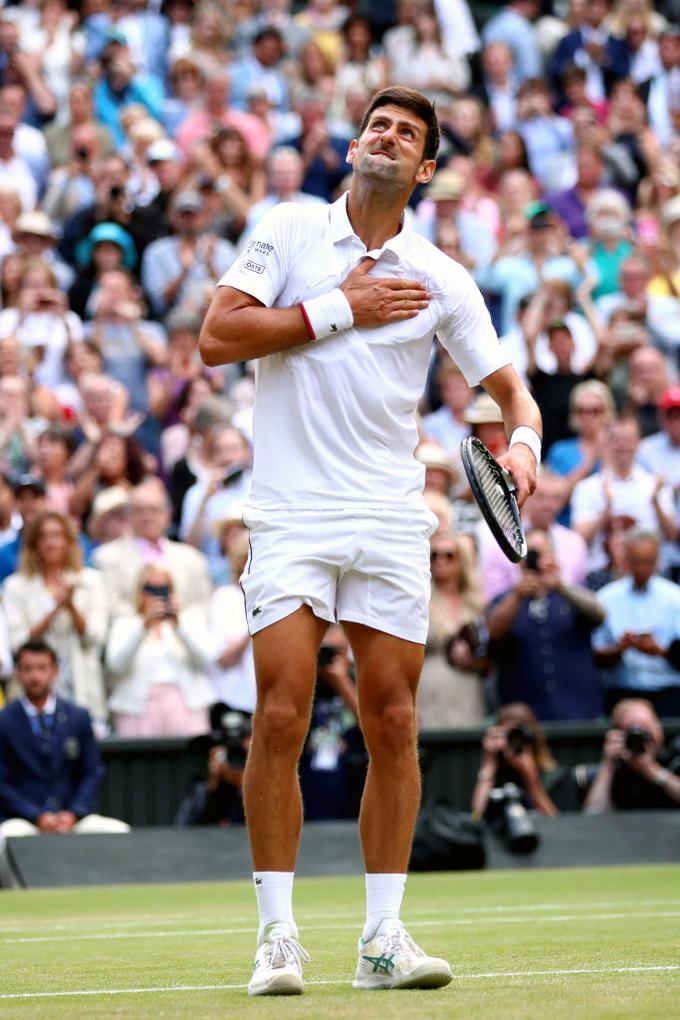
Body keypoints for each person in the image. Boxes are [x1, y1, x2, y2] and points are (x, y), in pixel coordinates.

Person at [199, 86, 541, 995]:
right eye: (376, 126)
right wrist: (339, 308)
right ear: (355, 147)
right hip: (291, 514)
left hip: (390, 519)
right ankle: (278, 938)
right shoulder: (288, 229)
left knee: (394, 723)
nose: (386, 137)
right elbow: (217, 336)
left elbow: (511, 389)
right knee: (280, 714)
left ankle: (382, 940)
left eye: (407, 134)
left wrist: (525, 440)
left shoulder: (443, 275)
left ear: (424, 169)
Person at [0, 639, 129, 886]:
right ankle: (20, 900)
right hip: (24, 821)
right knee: (3, 840)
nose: (35, 676)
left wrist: (73, 813)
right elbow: (2, 782)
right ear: (18, 673)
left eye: (41, 668)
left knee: (119, 833)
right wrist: (36, 815)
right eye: (27, 669)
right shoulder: (4, 721)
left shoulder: (77, 716)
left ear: (55, 671)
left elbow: (92, 772)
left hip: (73, 818)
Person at [3, 510, 109, 731]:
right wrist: (54, 610)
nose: (50, 543)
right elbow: (18, 643)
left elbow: (96, 638)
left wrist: (70, 607)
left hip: (83, 687)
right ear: (33, 544)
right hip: (33, 692)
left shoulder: (91, 581)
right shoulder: (16, 586)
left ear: (68, 541)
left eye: (56, 535)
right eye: (43, 537)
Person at [486, 528, 605, 721]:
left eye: (541, 553)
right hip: (524, 717)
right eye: (530, 554)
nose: (535, 560)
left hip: (578, 712)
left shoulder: (570, 594)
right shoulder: (506, 599)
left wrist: (561, 586)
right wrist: (518, 595)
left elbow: (599, 614)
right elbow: (492, 632)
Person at [105, 564, 214, 736]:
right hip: (136, 712)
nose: (156, 595)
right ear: (139, 592)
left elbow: (206, 659)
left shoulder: (190, 619)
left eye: (163, 588)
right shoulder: (126, 623)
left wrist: (178, 626)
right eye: (150, 588)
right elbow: (116, 665)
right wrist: (144, 627)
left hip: (186, 709)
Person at [93, 477, 212, 618]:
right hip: (134, 633)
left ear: (167, 516)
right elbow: (110, 607)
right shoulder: (106, 557)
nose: (147, 516)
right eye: (139, 510)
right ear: (129, 516)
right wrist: (145, 618)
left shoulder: (193, 558)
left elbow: (204, 604)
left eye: (154, 510)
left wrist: (180, 614)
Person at [592, 528, 680, 717]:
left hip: (669, 694)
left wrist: (659, 651)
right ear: (626, 558)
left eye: (647, 562)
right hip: (623, 693)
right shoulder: (606, 598)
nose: (641, 569)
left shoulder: (675, 598)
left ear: (657, 559)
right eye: (636, 562)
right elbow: (594, 653)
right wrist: (619, 648)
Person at [419, 530, 487, 730]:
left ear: (462, 560)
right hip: (429, 691)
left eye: (449, 555)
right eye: (434, 555)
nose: (441, 560)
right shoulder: (420, 599)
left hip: (470, 690)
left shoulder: (476, 603)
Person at [583, 698, 680, 811]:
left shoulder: (674, 760)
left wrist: (652, 770)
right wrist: (607, 765)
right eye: (632, 731)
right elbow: (594, 813)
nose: (640, 737)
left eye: (646, 729)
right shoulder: (616, 769)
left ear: (658, 728)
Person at [471, 702, 559, 820]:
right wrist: (489, 763)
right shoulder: (496, 777)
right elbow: (476, 816)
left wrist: (530, 776)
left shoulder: (553, 775)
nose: (514, 743)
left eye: (518, 736)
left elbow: (556, 821)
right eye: (509, 736)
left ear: (531, 738)